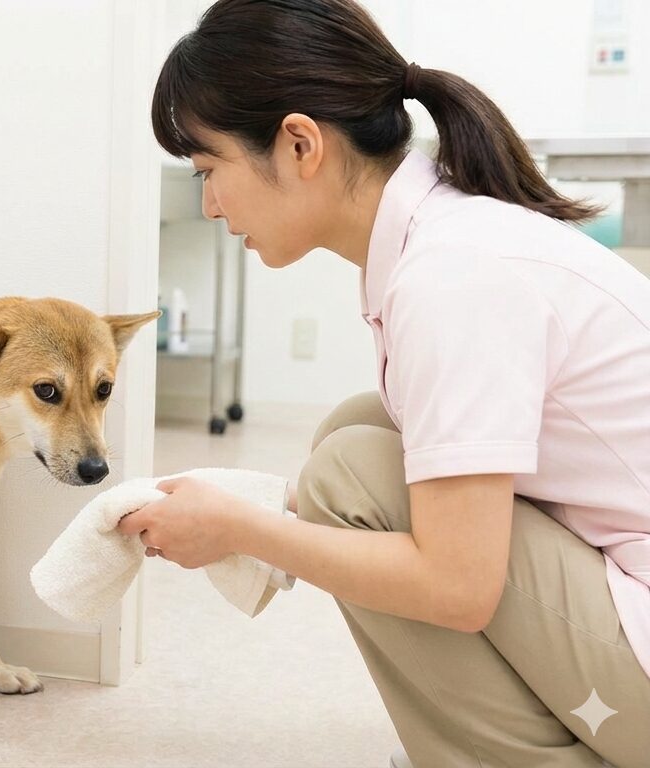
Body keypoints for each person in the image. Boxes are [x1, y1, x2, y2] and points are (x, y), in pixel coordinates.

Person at [116, 1, 650, 765]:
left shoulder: (452, 276)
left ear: (300, 143)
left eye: (209, 170)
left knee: (349, 475)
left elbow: (458, 588)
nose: (208, 204)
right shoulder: (446, 238)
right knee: (356, 430)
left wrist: (238, 529)